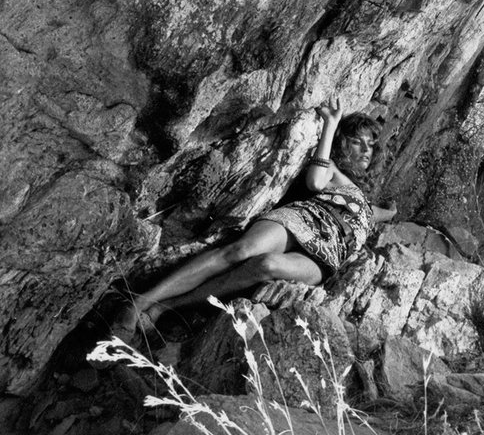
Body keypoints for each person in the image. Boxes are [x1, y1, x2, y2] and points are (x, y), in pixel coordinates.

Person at [114, 101, 396, 338]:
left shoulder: (366, 204)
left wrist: (392, 213)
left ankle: (168, 307)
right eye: (356, 142)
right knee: (239, 251)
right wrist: (331, 126)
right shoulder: (333, 169)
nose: (365, 150)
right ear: (342, 144)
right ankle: (138, 303)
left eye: (370, 145)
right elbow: (315, 182)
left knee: (265, 265)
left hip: (328, 255)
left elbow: (377, 215)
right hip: (303, 221)